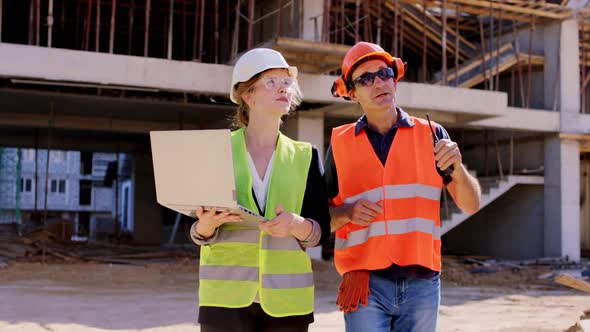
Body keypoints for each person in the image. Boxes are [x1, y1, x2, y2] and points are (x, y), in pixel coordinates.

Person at [327, 42, 481, 332]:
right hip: (365, 283)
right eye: (365, 79)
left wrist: (458, 170)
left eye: (384, 73)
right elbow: (320, 220)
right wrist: (346, 212)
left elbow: (471, 204)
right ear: (352, 93)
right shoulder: (339, 144)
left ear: (394, 80)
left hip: (422, 284)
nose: (378, 83)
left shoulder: (432, 135)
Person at [189, 48, 331, 332]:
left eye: (286, 81)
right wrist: (204, 226)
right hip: (225, 300)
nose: (283, 87)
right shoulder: (217, 151)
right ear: (247, 96)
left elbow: (321, 233)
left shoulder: (306, 156)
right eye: (271, 81)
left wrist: (296, 225)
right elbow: (199, 231)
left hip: (287, 303)